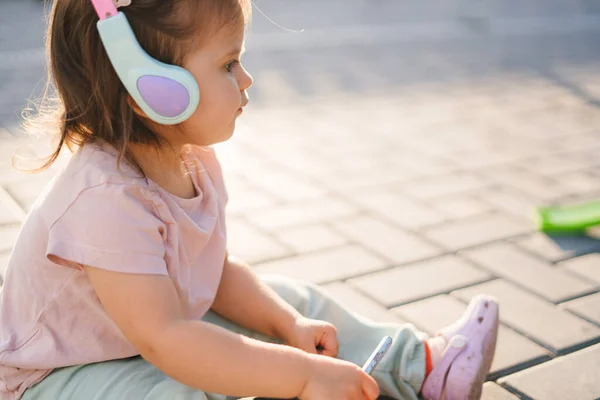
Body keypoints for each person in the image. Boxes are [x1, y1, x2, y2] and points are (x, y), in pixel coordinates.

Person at [0, 0, 500, 399]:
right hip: (57, 378)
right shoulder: (103, 199)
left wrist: (288, 324)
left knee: (298, 303)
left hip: (139, 339)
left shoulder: (192, 160)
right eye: (229, 63)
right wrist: (302, 377)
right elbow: (166, 339)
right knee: (174, 391)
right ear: (152, 89)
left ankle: (425, 368)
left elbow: (211, 273)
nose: (247, 79)